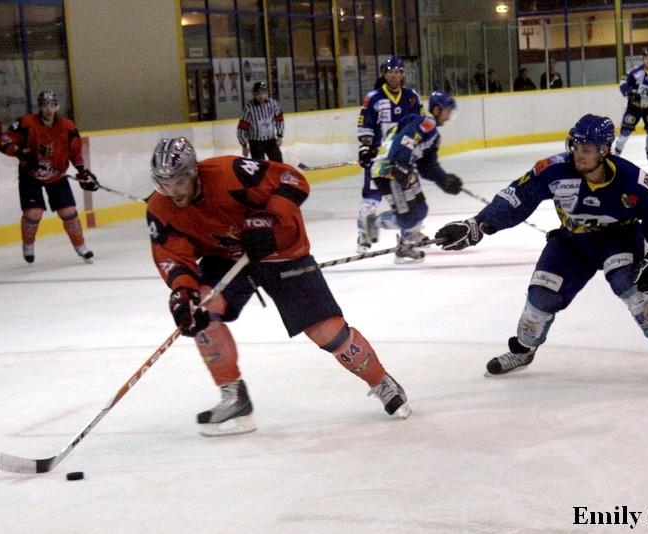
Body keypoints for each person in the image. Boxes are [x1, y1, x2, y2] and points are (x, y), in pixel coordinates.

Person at [145, 138, 411, 434]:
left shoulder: (229, 172)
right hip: (226, 257)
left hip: (280, 248)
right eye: (163, 184)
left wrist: (269, 218)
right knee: (202, 311)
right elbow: (173, 255)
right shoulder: (160, 209)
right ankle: (233, 396)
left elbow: (293, 180)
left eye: (179, 181)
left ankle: (381, 381)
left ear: (193, 172)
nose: (172, 192)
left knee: (327, 332)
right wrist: (183, 293)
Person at [435, 114, 648, 376]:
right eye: (576, 147)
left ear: (604, 151)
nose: (579, 154)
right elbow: (517, 197)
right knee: (541, 295)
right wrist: (478, 224)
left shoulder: (632, 179)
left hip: (620, 238)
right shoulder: (553, 170)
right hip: (572, 242)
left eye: (588, 149)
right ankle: (523, 350)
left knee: (631, 285)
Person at [0, 90, 99, 264]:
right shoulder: (26, 123)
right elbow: (4, 142)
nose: (48, 109)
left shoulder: (67, 127)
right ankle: (28, 245)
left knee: (68, 212)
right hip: (31, 175)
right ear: (39, 107)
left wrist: (82, 171)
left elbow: (75, 152)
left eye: (51, 105)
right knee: (34, 212)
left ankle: (81, 246)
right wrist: (21, 153)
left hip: (57, 175)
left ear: (57, 106)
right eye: (44, 105)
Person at [367, 91, 463, 264]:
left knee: (421, 208)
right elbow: (406, 139)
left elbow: (427, 165)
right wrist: (399, 163)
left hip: (403, 169)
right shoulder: (426, 123)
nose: (449, 117)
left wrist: (443, 179)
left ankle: (407, 242)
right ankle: (377, 222)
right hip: (389, 170)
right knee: (408, 216)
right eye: (448, 111)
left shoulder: (433, 134)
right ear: (436, 109)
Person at [355, 56, 424, 253]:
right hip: (380, 160)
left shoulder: (412, 97)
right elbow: (365, 124)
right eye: (390, 71)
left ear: (403, 74)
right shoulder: (374, 98)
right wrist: (366, 148)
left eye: (397, 71)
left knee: (411, 200)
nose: (394, 75)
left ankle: (408, 238)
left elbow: (419, 124)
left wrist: (418, 148)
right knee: (372, 197)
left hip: (404, 159)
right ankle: (364, 235)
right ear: (384, 74)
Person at [237, 81, 284, 162]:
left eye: (263, 92)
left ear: (267, 93)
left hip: (271, 140)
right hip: (255, 143)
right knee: (259, 167)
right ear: (254, 94)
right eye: (258, 93)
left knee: (278, 163)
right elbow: (242, 127)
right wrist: (244, 145)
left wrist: (279, 136)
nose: (261, 95)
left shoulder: (273, 104)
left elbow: (279, 119)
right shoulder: (249, 108)